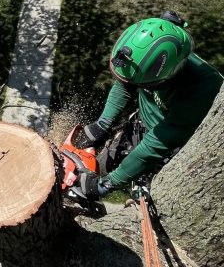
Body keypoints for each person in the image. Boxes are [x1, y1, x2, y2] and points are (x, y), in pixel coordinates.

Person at [75, 11, 223, 200]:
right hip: (140, 125)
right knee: (99, 164)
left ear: (171, 72)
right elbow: (126, 83)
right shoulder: (151, 61)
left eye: (144, 85)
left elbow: (155, 145)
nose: (138, 87)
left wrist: (106, 184)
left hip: (166, 146)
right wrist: (103, 123)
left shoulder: (205, 89)